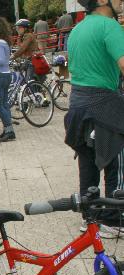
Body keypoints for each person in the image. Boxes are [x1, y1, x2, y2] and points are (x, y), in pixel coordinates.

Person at [65, 0, 124, 237]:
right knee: (115, 162)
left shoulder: (77, 29)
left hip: (78, 106)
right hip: (104, 105)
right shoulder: (110, 26)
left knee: (87, 163)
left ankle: (90, 218)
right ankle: (114, 219)